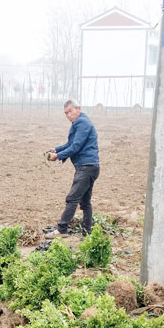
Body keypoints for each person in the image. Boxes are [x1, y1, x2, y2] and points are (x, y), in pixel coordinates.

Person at [45, 99, 100, 239]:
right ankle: (87, 233)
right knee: (85, 202)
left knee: (72, 198)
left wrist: (57, 156)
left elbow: (76, 147)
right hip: (90, 166)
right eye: (66, 113)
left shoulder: (82, 123)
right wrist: (56, 149)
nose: (68, 115)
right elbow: (71, 143)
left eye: (70, 111)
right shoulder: (80, 122)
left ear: (78, 109)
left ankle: (62, 229)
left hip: (86, 167)